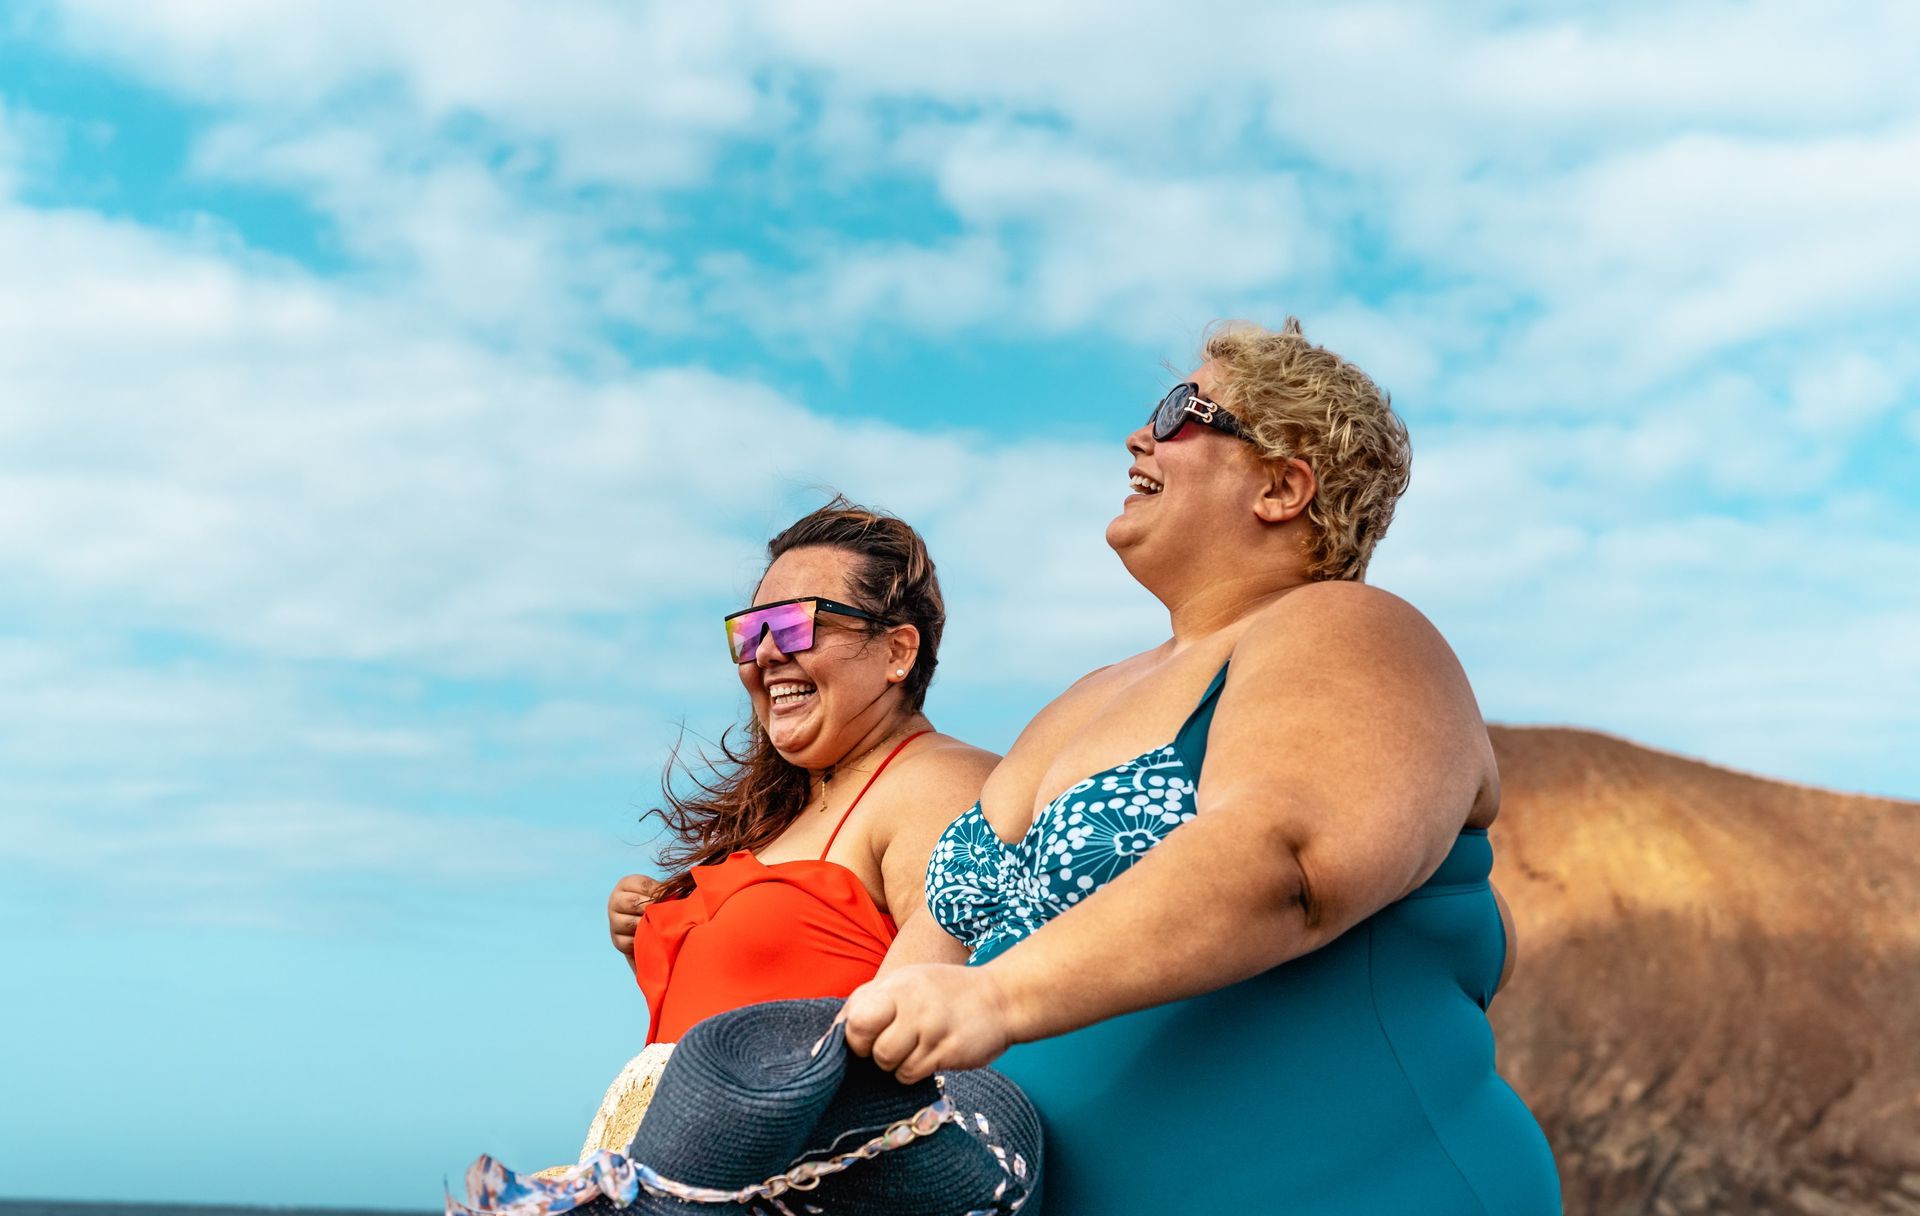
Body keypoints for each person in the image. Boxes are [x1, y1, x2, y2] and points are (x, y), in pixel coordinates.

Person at [843, 320, 1562, 1213]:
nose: (1139, 436)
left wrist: (997, 997)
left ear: (1280, 485)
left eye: (1181, 411)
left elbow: (1288, 858)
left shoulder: (1348, 627)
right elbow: (931, 963)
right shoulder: (1085, 695)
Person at [605, 497, 996, 1046]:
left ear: (897, 651)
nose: (763, 654)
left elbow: (950, 1026)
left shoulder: (936, 784)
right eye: (751, 632)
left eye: (793, 626)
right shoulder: (790, 806)